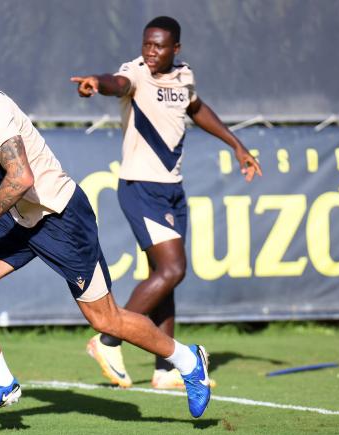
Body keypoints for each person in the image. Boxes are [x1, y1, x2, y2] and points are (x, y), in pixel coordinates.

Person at [0, 40, 211, 420]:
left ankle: (188, 362)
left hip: (59, 217)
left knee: (105, 320)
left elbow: (22, 176)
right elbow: (1, 173)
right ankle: (0, 381)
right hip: (22, 215)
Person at [71, 16, 262, 390]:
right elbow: (117, 83)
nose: (151, 52)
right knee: (174, 269)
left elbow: (196, 109)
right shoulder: (137, 73)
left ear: (176, 49)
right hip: (141, 187)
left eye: (158, 46)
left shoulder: (182, 76)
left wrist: (237, 145)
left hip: (172, 189)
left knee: (164, 279)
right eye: (146, 44)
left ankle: (166, 367)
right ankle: (108, 339)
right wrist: (99, 83)